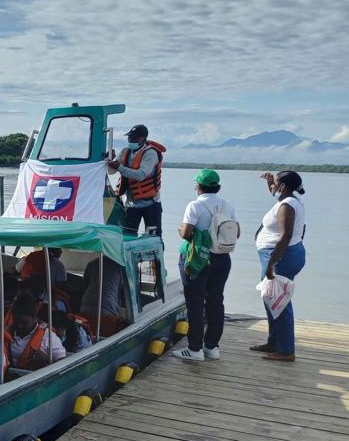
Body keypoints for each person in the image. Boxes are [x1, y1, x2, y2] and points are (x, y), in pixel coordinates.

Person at [172, 169, 238, 361]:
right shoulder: (227, 206)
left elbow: (186, 233)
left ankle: (194, 349)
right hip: (222, 259)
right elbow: (237, 232)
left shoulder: (195, 206)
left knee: (195, 303)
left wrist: (180, 228)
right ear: (217, 187)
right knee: (216, 301)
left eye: (196, 184)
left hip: (198, 259)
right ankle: (212, 347)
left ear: (199, 187)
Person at [253, 170, 307, 362]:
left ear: (283, 186)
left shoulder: (287, 206)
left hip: (281, 257)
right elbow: (278, 197)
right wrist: (269, 183)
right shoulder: (288, 201)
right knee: (271, 299)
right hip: (280, 255)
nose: (273, 187)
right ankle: (274, 341)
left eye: (275, 183)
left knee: (280, 302)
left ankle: (286, 351)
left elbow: (286, 236)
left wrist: (272, 264)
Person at [107, 124, 165, 237]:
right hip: (131, 205)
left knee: (154, 237)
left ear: (143, 138)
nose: (131, 140)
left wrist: (119, 167)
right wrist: (109, 161)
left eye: (134, 138)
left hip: (150, 204)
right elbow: (111, 171)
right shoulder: (125, 152)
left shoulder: (151, 153)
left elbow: (141, 175)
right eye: (130, 137)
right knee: (128, 235)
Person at [8, 293, 66, 370]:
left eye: (24, 323)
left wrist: (47, 359)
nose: (19, 326)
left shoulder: (49, 336)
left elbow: (64, 364)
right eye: (16, 322)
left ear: (34, 318)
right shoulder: (6, 333)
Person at [80, 256, 124, 337]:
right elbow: (125, 292)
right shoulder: (121, 266)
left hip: (87, 303)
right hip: (107, 306)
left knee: (87, 334)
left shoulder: (93, 263)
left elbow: (84, 284)